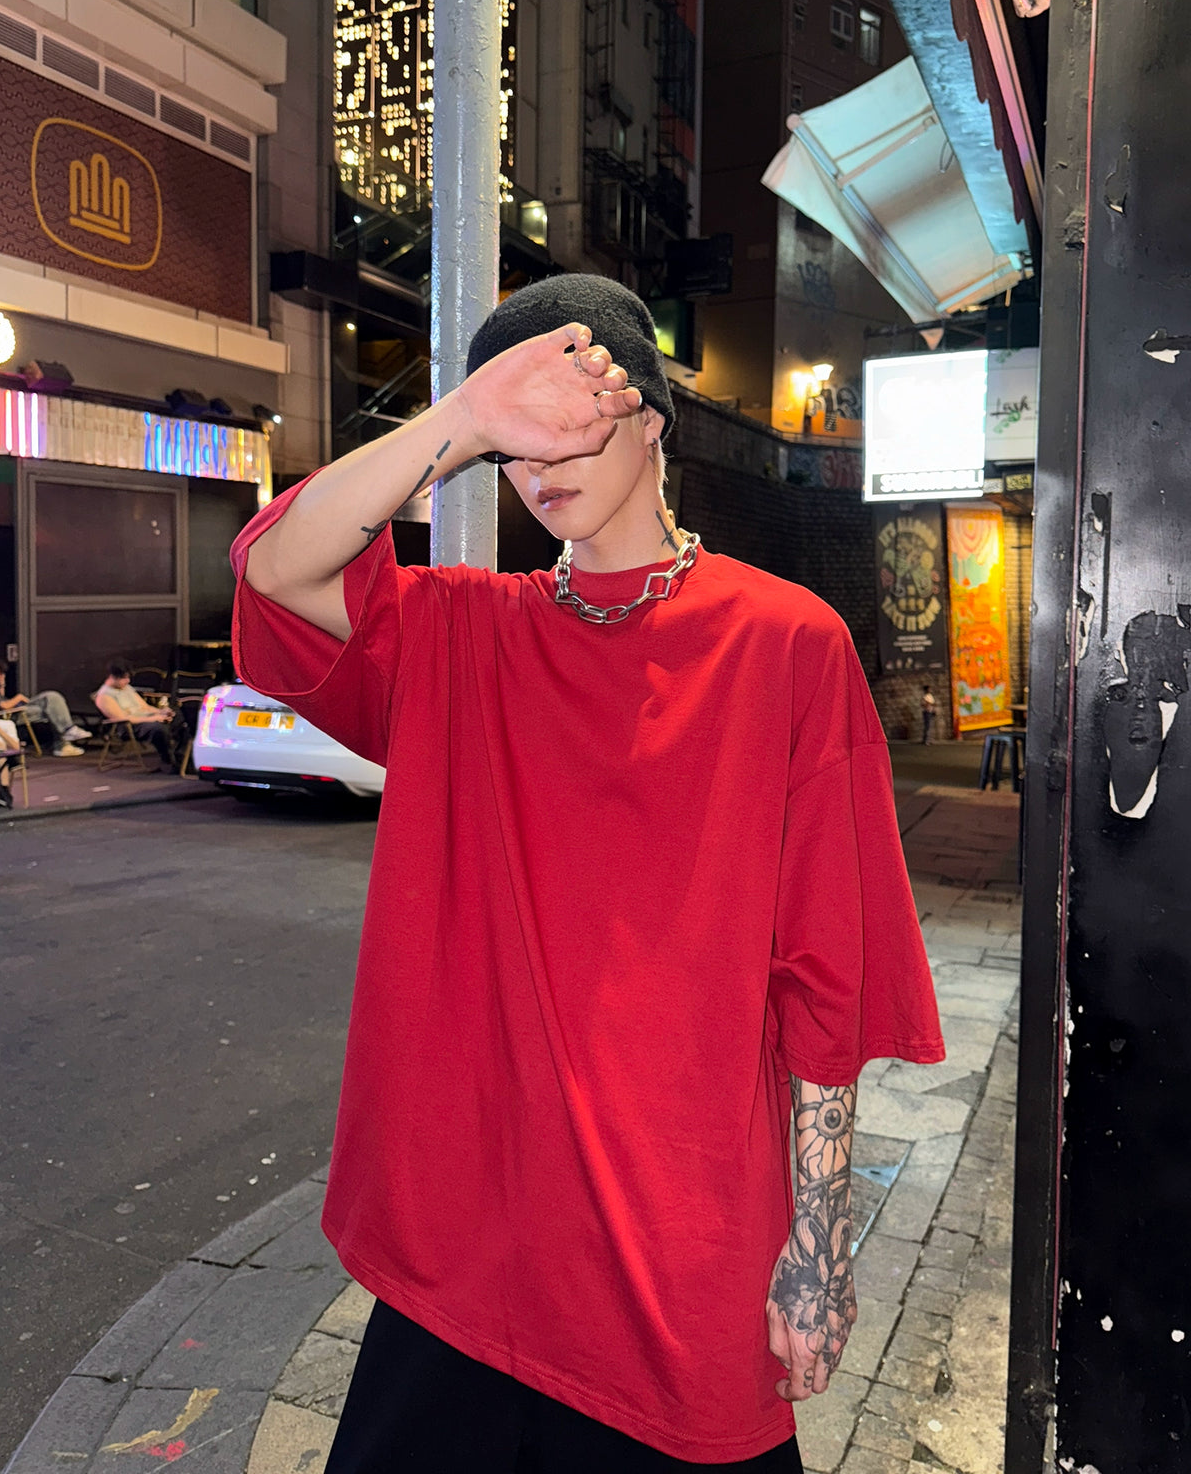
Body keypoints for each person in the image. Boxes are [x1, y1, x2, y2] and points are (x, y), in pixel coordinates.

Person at [232, 273, 945, 1473]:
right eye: (515, 442)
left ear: (650, 418)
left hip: (678, 1243)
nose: (539, 461)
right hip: (467, 1245)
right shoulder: (467, 634)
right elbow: (275, 572)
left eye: (569, 419)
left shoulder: (786, 643)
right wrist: (465, 415)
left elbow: (828, 973)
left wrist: (818, 1243)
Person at [0, 657, 91, 757]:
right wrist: (19, 697)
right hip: (15, 713)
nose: (1, 675)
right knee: (52, 703)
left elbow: (0, 699)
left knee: (52, 699)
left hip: (16, 710)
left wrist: (1, 684)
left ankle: (66, 737)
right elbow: (4, 706)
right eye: (0, 672)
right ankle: (65, 736)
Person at [94, 662, 178, 767]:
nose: (128, 681)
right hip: (130, 726)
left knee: (178, 717)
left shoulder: (127, 688)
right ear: (113, 677)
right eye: (124, 678)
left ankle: (181, 757)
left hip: (145, 718)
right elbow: (123, 719)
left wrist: (161, 712)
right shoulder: (104, 696)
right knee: (158, 729)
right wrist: (154, 718)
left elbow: (145, 707)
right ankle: (169, 761)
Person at [0, 715, 21, 807]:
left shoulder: (7, 724)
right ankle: (4, 793)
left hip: (6, 758)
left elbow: (16, 747)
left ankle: (4, 791)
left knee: (0, 750)